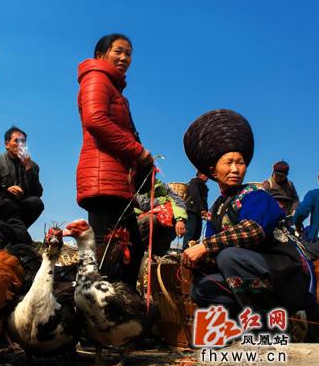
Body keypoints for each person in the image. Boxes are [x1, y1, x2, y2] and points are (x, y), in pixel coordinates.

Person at [182, 109, 315, 319]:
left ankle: (279, 319)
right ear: (213, 171)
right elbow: (211, 248)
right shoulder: (217, 208)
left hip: (280, 270)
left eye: (240, 162)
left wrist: (205, 246)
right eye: (228, 162)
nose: (236, 169)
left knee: (229, 256)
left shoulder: (255, 195)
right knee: (202, 287)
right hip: (246, 272)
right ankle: (244, 319)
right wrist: (196, 257)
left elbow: (253, 230)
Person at [75, 33, 153, 287]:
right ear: (101, 55)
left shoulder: (114, 89)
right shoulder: (96, 78)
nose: (124, 57)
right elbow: (95, 120)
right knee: (110, 252)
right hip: (102, 179)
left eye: (128, 53)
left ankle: (122, 307)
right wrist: (136, 151)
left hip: (116, 180)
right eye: (117, 51)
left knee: (131, 250)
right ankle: (100, 311)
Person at [0, 126, 44, 229]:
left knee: (36, 202)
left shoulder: (33, 166)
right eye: (16, 141)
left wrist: (28, 168)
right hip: (1, 204)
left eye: (23, 141)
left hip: (21, 206)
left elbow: (37, 193)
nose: (20, 144)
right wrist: (6, 190)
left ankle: (19, 231)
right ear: (7, 144)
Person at [135, 179, 188, 255]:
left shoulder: (160, 185)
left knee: (173, 219)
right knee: (150, 220)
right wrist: (164, 200)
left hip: (156, 217)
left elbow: (178, 200)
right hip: (136, 220)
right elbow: (143, 204)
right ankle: (137, 250)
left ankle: (159, 251)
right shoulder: (132, 180)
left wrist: (180, 220)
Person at [183, 171, 209, 245]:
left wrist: (205, 210)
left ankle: (193, 252)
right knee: (190, 232)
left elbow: (204, 200)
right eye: (205, 175)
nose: (207, 177)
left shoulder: (203, 186)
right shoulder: (195, 182)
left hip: (198, 212)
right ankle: (185, 250)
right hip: (192, 210)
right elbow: (195, 194)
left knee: (197, 234)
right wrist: (202, 208)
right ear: (200, 174)